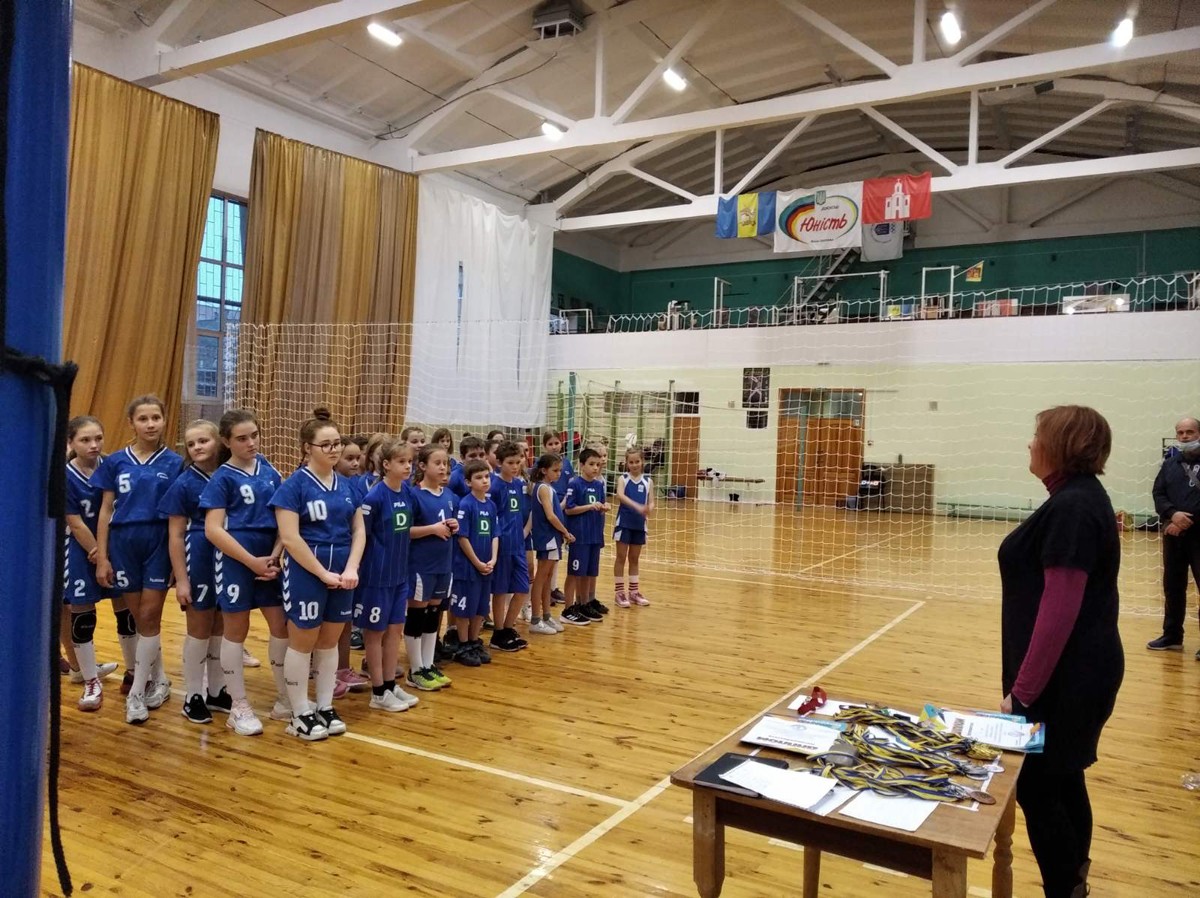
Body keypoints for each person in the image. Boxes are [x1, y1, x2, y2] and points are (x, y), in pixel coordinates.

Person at [998, 405, 1123, 898]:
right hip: (1075, 674)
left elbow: (1058, 613)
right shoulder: (1076, 499)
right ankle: (1074, 885)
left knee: (1037, 785)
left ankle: (1064, 888)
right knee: (1064, 778)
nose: (1030, 444)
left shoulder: (1073, 507)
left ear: (1061, 444)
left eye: (1037, 435)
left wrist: (1022, 693)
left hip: (1067, 681)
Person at [270, 407, 366, 741]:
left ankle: (324, 705)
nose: (334, 449)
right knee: (302, 642)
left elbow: (359, 530)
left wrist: (351, 567)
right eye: (326, 444)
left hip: (342, 573)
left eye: (337, 443)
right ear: (307, 448)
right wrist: (322, 573)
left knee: (329, 642)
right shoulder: (293, 486)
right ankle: (299, 712)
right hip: (307, 573)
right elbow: (290, 538)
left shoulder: (348, 486)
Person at [94, 395, 182, 725]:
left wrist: (178, 563)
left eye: (156, 417)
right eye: (143, 418)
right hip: (123, 543)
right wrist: (102, 557)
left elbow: (180, 516)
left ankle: (136, 693)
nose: (150, 424)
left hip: (158, 541)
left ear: (164, 420)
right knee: (140, 620)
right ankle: (160, 679)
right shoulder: (115, 462)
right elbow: (105, 510)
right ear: (131, 423)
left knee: (149, 615)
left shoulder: (175, 463)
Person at [201, 409, 288, 734]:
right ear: (226, 441)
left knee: (281, 626)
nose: (251, 442)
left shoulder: (269, 470)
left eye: (254, 435)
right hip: (237, 561)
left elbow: (285, 519)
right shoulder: (222, 478)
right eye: (241, 438)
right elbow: (213, 530)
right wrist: (252, 562)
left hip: (270, 560)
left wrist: (275, 556)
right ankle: (238, 706)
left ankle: (285, 698)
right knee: (236, 629)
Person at [158, 420, 225, 726]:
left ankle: (217, 690)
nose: (197, 447)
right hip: (198, 556)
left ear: (218, 441)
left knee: (220, 627)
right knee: (199, 628)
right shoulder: (184, 483)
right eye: (191, 443)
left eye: (203, 441)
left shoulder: (229, 474)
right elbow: (175, 535)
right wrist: (182, 579)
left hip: (228, 557)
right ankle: (193, 696)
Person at [356, 437, 421, 712]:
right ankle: (378, 691)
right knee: (375, 633)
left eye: (410, 462)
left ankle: (390, 685)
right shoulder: (374, 497)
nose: (407, 467)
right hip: (377, 576)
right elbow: (362, 535)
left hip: (399, 575)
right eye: (401, 462)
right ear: (385, 464)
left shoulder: (407, 493)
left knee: (395, 631)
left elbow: (407, 531)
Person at [62, 416, 122, 711]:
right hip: (81, 548)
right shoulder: (64, 475)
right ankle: (89, 679)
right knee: (82, 611)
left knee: (126, 608)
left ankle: (137, 676)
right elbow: (75, 523)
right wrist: (99, 554)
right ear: (71, 443)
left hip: (113, 547)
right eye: (85, 440)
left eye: (98, 438)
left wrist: (107, 553)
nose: (94, 444)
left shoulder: (111, 467)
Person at [405, 444, 458, 692]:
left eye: (445, 463)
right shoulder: (413, 495)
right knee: (417, 615)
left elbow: (447, 525)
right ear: (422, 466)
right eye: (437, 463)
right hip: (421, 566)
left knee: (433, 616)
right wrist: (432, 529)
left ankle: (428, 664)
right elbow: (406, 531)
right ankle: (415, 670)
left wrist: (453, 526)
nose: (443, 468)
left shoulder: (449, 496)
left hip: (443, 565)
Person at [1146, 416, 1200, 655]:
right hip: (1173, 535)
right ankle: (1172, 636)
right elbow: (1158, 493)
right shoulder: (1169, 464)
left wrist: (1185, 521)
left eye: (1190, 431)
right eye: (1180, 432)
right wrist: (1172, 514)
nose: (1185, 436)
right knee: (1173, 586)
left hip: (1197, 535)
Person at [450, 459, 498, 666]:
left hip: (486, 566)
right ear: (468, 482)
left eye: (487, 476)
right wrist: (477, 562)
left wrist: (493, 559)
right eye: (479, 477)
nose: (485, 480)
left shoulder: (491, 505)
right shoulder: (466, 504)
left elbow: (495, 535)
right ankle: (463, 644)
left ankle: (473, 641)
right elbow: (462, 537)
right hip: (468, 567)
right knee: (464, 609)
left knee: (480, 607)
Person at [488, 441, 532, 652]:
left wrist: (523, 533)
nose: (515, 466)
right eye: (510, 463)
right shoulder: (494, 486)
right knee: (500, 590)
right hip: (503, 546)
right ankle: (498, 632)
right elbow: (492, 517)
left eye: (518, 461)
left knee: (523, 588)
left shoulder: (517, 484)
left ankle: (507, 627)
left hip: (518, 544)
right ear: (499, 463)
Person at [561, 448, 609, 626]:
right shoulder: (575, 483)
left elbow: (601, 504)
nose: (595, 468)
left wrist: (604, 507)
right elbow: (569, 509)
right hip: (579, 536)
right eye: (591, 464)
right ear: (582, 465)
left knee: (589, 573)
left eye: (598, 464)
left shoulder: (598, 485)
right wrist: (590, 506)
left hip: (594, 535)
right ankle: (568, 609)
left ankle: (584, 604)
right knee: (575, 573)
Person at [529, 453, 572, 634]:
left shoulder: (549, 488)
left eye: (560, 470)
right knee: (541, 579)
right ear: (544, 470)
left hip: (552, 538)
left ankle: (546, 616)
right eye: (555, 470)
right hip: (547, 538)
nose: (559, 474)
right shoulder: (543, 489)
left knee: (547, 579)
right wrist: (565, 531)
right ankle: (535, 619)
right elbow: (551, 516)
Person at [613, 447, 653, 608]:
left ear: (642, 462)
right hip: (624, 523)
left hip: (639, 525)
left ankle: (634, 592)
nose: (634, 465)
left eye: (637, 461)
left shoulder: (648, 481)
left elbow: (651, 501)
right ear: (627, 463)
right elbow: (620, 495)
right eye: (631, 462)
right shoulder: (623, 479)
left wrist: (649, 508)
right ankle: (619, 592)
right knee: (621, 557)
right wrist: (637, 506)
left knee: (634, 558)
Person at [542, 431, 572, 606]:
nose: (554, 446)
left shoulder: (566, 463)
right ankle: (544, 592)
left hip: (562, 509)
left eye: (556, 443)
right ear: (544, 446)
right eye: (550, 444)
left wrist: (564, 503)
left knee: (557, 553)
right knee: (546, 556)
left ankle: (552, 588)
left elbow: (571, 486)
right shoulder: (541, 464)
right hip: (549, 509)